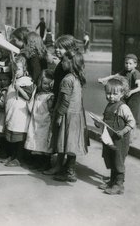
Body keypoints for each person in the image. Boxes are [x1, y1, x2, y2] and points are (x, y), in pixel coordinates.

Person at [43, 34, 79, 175]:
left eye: (61, 48)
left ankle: (69, 168)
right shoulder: (62, 64)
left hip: (68, 107)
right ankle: (60, 165)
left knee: (69, 137)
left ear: (70, 50)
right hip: (61, 103)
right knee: (60, 136)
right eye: (56, 47)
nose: (57, 50)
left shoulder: (71, 68)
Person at [52, 51, 88, 183]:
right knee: (71, 144)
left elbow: (65, 101)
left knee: (66, 142)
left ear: (71, 63)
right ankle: (70, 170)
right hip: (77, 116)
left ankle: (69, 172)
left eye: (64, 61)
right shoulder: (77, 78)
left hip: (68, 116)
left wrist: (59, 115)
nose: (61, 63)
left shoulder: (67, 79)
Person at [95, 77, 135, 195]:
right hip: (110, 139)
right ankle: (112, 182)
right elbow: (106, 120)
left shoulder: (123, 107)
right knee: (111, 159)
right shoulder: (108, 105)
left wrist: (123, 131)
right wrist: (98, 123)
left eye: (114, 94)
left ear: (122, 94)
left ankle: (119, 185)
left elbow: (131, 122)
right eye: (108, 93)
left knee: (118, 161)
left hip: (119, 140)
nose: (111, 97)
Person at [4, 55, 35, 167]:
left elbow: (28, 96)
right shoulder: (14, 80)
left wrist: (19, 88)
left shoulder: (26, 81)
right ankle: (11, 155)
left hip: (20, 114)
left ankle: (18, 158)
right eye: (14, 69)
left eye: (18, 69)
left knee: (18, 136)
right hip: (12, 112)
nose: (16, 71)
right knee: (11, 133)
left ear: (24, 69)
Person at [98, 54, 140, 125]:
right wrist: (104, 79)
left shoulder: (136, 74)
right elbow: (114, 76)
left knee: (132, 115)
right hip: (126, 94)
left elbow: (139, 87)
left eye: (130, 63)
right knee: (122, 110)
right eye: (126, 63)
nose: (128, 65)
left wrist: (131, 92)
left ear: (135, 64)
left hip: (134, 97)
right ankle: (121, 126)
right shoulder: (125, 71)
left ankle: (132, 131)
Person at [24, 69, 54, 171]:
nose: (46, 86)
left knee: (44, 142)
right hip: (35, 121)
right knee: (35, 141)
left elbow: (50, 110)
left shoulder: (50, 96)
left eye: (49, 84)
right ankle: (37, 161)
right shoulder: (37, 94)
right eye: (44, 83)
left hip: (45, 122)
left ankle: (46, 163)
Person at [0, 71, 12, 159]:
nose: (2, 82)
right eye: (0, 80)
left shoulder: (6, 91)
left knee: (2, 132)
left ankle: (4, 152)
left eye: (5, 79)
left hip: (4, 114)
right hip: (0, 114)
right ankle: (1, 150)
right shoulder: (1, 89)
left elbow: (1, 103)